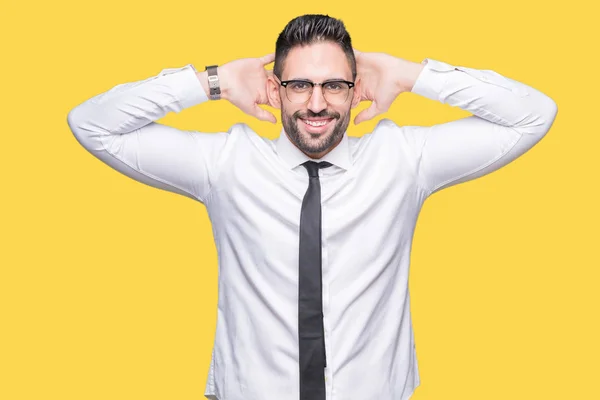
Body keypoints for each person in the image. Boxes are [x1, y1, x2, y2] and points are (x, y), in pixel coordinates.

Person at [66, 13, 558, 400]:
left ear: (354, 89)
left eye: (333, 85)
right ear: (276, 89)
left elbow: (533, 115)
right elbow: (91, 124)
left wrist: (410, 75)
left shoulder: (403, 160)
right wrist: (212, 81)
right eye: (299, 85)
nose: (317, 103)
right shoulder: (224, 163)